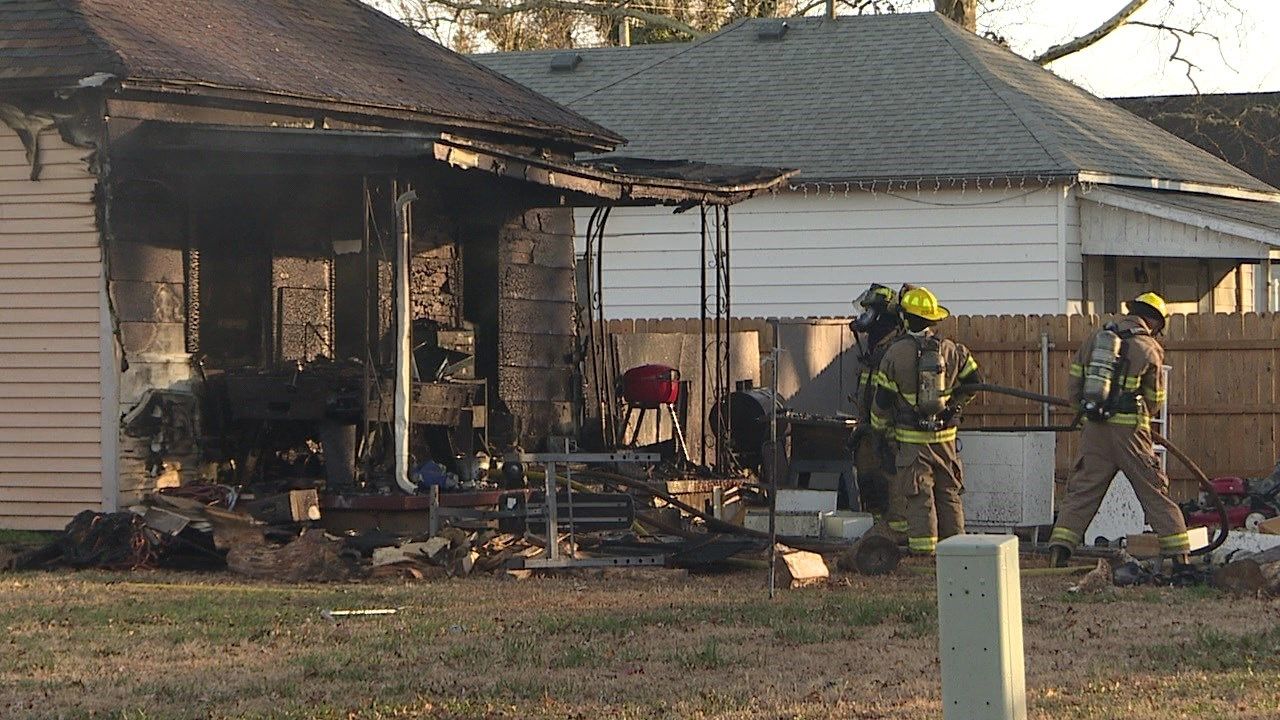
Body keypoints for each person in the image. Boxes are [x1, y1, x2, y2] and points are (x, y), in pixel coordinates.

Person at [1048, 292, 1190, 567]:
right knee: (1153, 490)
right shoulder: (1148, 347)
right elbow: (1154, 398)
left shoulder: (1095, 339)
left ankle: (1059, 550)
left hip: (1095, 431)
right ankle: (1180, 556)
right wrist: (1142, 419)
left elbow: (1075, 384)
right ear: (1155, 321)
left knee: (1082, 493)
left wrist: (1086, 414)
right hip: (1130, 435)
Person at [871, 286, 981, 555]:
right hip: (946, 439)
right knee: (949, 493)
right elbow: (975, 383)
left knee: (919, 495)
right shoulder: (953, 350)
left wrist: (879, 431)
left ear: (906, 318)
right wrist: (953, 408)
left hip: (912, 441)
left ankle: (924, 552)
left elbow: (882, 402)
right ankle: (957, 550)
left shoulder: (895, 354)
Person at [847, 284, 906, 529]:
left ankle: (896, 530)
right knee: (870, 483)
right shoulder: (875, 350)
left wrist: (880, 429)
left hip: (890, 435)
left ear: (880, 315)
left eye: (868, 311)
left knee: (893, 484)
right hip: (870, 432)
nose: (864, 318)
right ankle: (876, 528)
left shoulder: (894, 350)